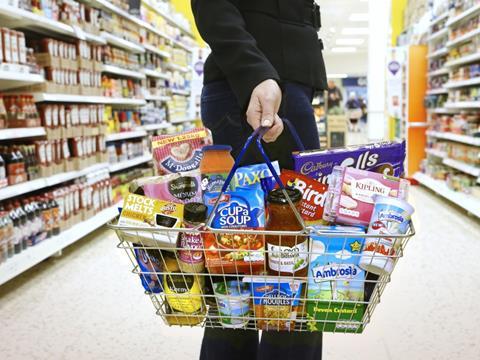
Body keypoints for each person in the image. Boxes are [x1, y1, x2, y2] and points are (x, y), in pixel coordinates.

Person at [191, 1, 327, 359]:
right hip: (254, 86)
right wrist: (254, 74)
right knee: (261, 262)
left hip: (277, 82)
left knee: (251, 262)